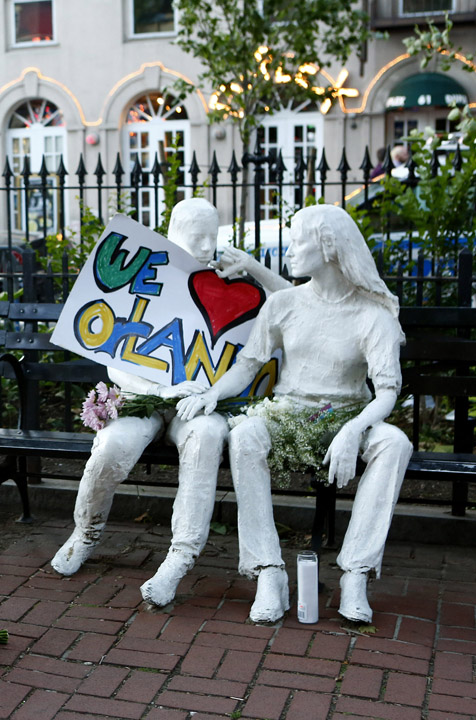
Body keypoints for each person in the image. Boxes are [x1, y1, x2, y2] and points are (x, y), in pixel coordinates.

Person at [177, 204, 410, 624]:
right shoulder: (284, 304)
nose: (289, 249)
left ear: (329, 247)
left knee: (395, 443)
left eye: (298, 239)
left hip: (349, 414)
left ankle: (355, 574)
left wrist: (354, 431)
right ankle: (268, 573)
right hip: (288, 413)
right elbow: (249, 365)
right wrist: (213, 393)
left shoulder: (373, 316)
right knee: (246, 434)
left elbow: (386, 394)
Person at [50, 199, 286, 611]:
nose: (207, 247)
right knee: (111, 448)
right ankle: (85, 530)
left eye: (213, 237)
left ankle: (180, 555)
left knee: (209, 434)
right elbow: (116, 357)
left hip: (197, 403)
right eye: (197, 238)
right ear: (173, 234)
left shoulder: (230, 280)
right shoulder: (143, 270)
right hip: (144, 397)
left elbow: (299, 303)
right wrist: (159, 391)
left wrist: (253, 269)